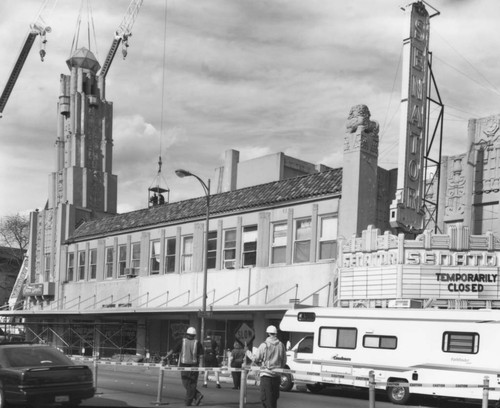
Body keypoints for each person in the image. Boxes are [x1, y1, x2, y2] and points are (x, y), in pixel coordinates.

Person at [163, 327, 204, 406]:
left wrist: (165, 357)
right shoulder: (197, 343)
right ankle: (196, 396)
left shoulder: (182, 341)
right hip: (195, 366)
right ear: (194, 335)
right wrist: (201, 366)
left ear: (187, 334)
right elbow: (201, 356)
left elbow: (172, 351)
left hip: (184, 366)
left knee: (186, 383)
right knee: (192, 383)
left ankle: (189, 400)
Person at [248, 325, 286, 408]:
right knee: (273, 400)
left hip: (266, 376)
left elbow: (256, 359)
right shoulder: (281, 345)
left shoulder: (264, 345)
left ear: (268, 334)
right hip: (276, 376)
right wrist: (278, 369)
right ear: (276, 333)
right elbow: (284, 360)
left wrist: (247, 352)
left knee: (266, 400)